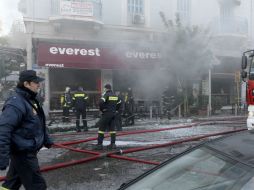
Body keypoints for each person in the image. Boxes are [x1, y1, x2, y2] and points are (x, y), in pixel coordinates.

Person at [0, 70, 53, 190]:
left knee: (11, 184)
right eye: (35, 82)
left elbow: (38, 124)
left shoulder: (31, 100)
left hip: (26, 150)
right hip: (23, 152)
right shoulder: (16, 103)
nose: (38, 85)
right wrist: (2, 157)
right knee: (37, 185)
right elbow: (3, 129)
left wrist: (47, 139)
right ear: (26, 84)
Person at [95, 84, 121, 150]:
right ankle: (113, 144)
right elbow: (119, 103)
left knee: (101, 129)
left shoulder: (106, 95)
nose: (104, 90)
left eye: (104, 88)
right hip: (113, 114)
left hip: (106, 114)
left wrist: (102, 109)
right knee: (112, 129)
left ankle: (99, 145)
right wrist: (116, 110)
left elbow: (101, 102)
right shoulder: (115, 95)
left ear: (106, 88)